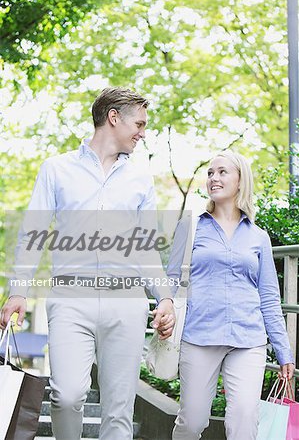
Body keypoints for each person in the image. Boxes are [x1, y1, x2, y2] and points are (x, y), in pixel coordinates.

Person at [0, 87, 175, 440]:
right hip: (70, 300)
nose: (143, 132)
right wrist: (18, 291)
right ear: (114, 118)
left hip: (126, 302)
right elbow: (33, 233)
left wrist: (165, 298)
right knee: (67, 395)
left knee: (119, 409)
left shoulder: (140, 178)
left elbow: (145, 247)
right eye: (139, 124)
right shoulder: (56, 169)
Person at [167, 150, 295, 440]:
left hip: (247, 341)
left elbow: (269, 297)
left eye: (222, 172)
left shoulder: (258, 236)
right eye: (211, 172)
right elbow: (171, 281)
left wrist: (284, 350)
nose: (214, 178)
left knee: (244, 422)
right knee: (192, 422)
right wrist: (165, 313)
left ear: (240, 180)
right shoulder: (191, 226)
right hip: (199, 335)